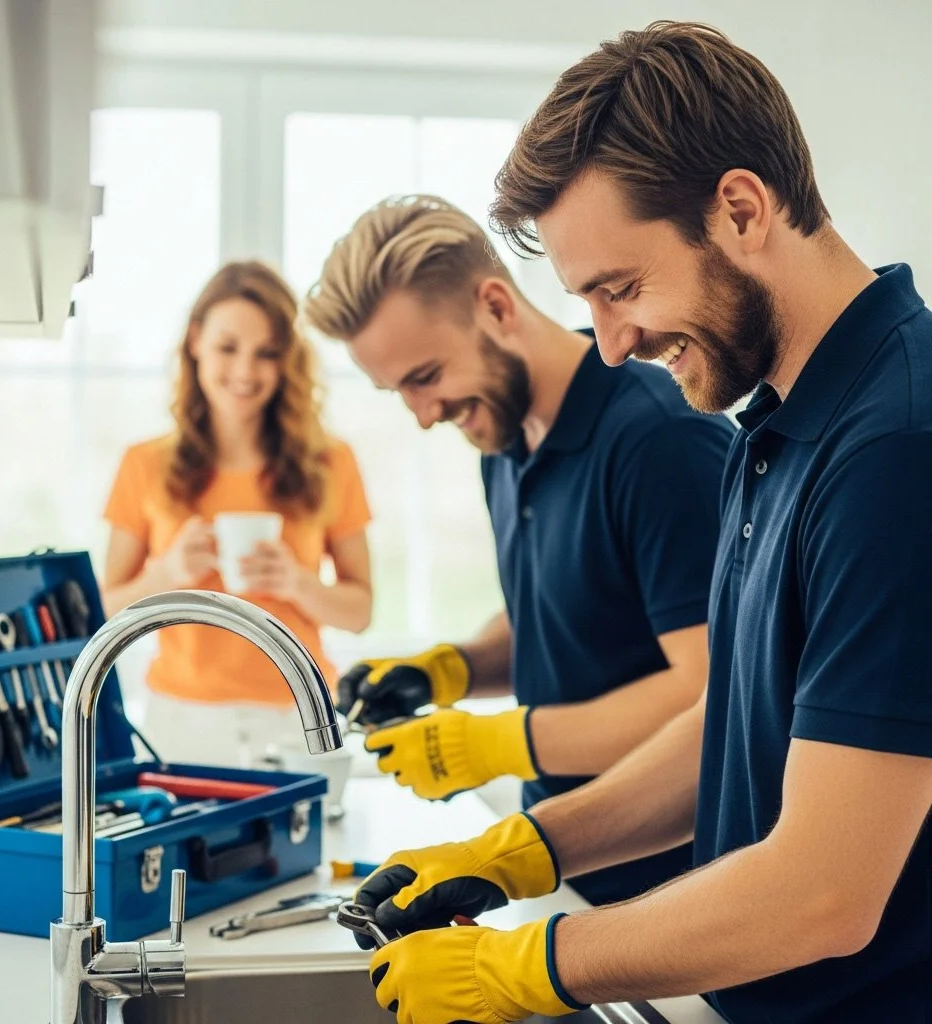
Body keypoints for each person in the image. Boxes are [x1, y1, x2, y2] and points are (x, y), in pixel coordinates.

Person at [341, 22, 932, 1024]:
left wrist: (523, 964)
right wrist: (525, 850)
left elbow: (824, 893)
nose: (610, 345)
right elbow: (737, 721)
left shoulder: (894, 451)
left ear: (740, 210)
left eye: (621, 289)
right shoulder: (773, 423)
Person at [304, 195, 733, 907]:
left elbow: (711, 692)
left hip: (673, 887)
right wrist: (449, 671)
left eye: (426, 376)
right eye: (397, 392)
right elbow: (564, 610)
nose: (422, 414)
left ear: (497, 306)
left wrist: (497, 743)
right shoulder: (505, 442)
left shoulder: (660, 440)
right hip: (561, 865)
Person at [102, 260, 372, 767]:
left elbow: (360, 612)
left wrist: (297, 583)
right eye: (228, 348)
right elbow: (105, 612)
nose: (246, 372)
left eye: (266, 353)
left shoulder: (331, 462)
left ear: (286, 360)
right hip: (180, 720)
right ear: (195, 340)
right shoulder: (145, 464)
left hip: (301, 714)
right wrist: (166, 575)